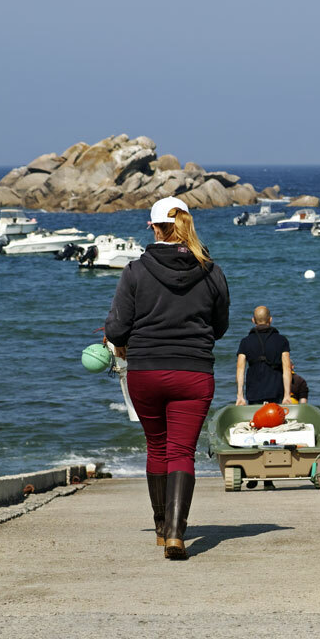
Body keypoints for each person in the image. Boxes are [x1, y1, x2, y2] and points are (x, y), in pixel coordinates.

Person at [104, 196, 230, 560]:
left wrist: (122, 339)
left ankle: (161, 527)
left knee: (157, 446)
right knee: (181, 451)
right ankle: (177, 532)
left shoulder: (134, 271)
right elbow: (219, 327)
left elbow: (116, 328)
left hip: (146, 372)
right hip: (194, 372)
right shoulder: (212, 271)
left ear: (155, 228)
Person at [234, 306, 292, 405]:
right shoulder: (282, 340)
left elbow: (240, 369)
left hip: (253, 392)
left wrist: (240, 396)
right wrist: (287, 395)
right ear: (270, 319)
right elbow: (287, 368)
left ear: (253, 320)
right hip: (276, 391)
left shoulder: (245, 342)